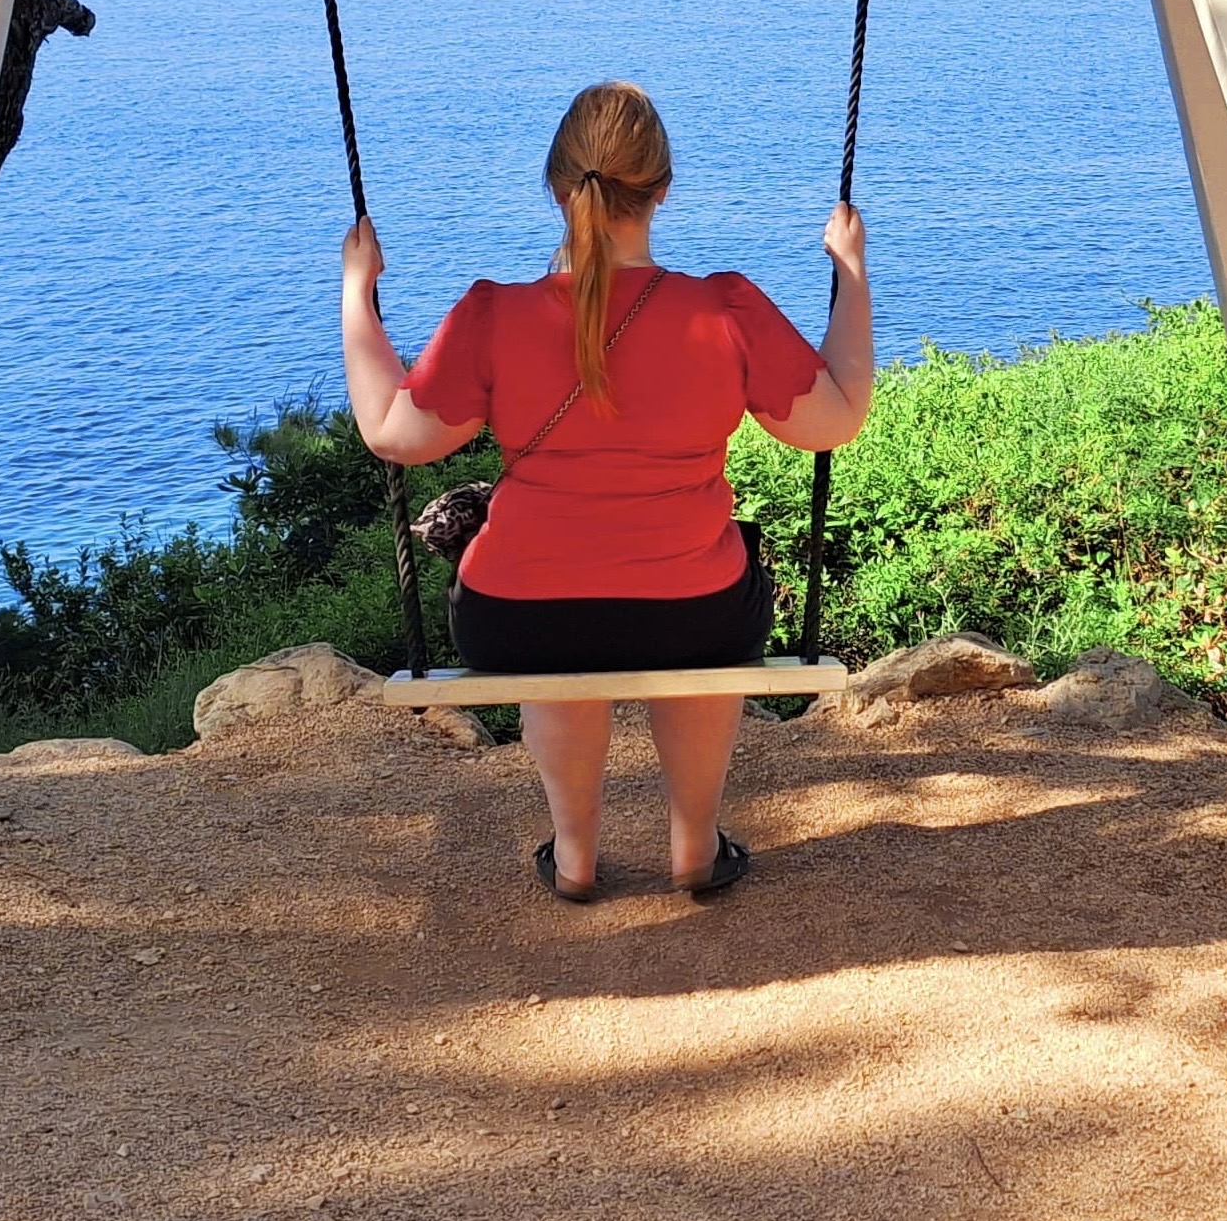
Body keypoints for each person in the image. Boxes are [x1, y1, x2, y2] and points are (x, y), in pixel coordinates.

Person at [339, 81, 873, 901]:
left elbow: (391, 433)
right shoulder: (724, 308)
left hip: (515, 622)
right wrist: (851, 275)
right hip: (693, 613)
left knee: (552, 606)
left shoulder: (492, 314)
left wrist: (356, 293)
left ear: (556, 188)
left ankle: (575, 853)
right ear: (663, 188)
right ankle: (694, 845)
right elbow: (833, 420)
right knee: (714, 577)